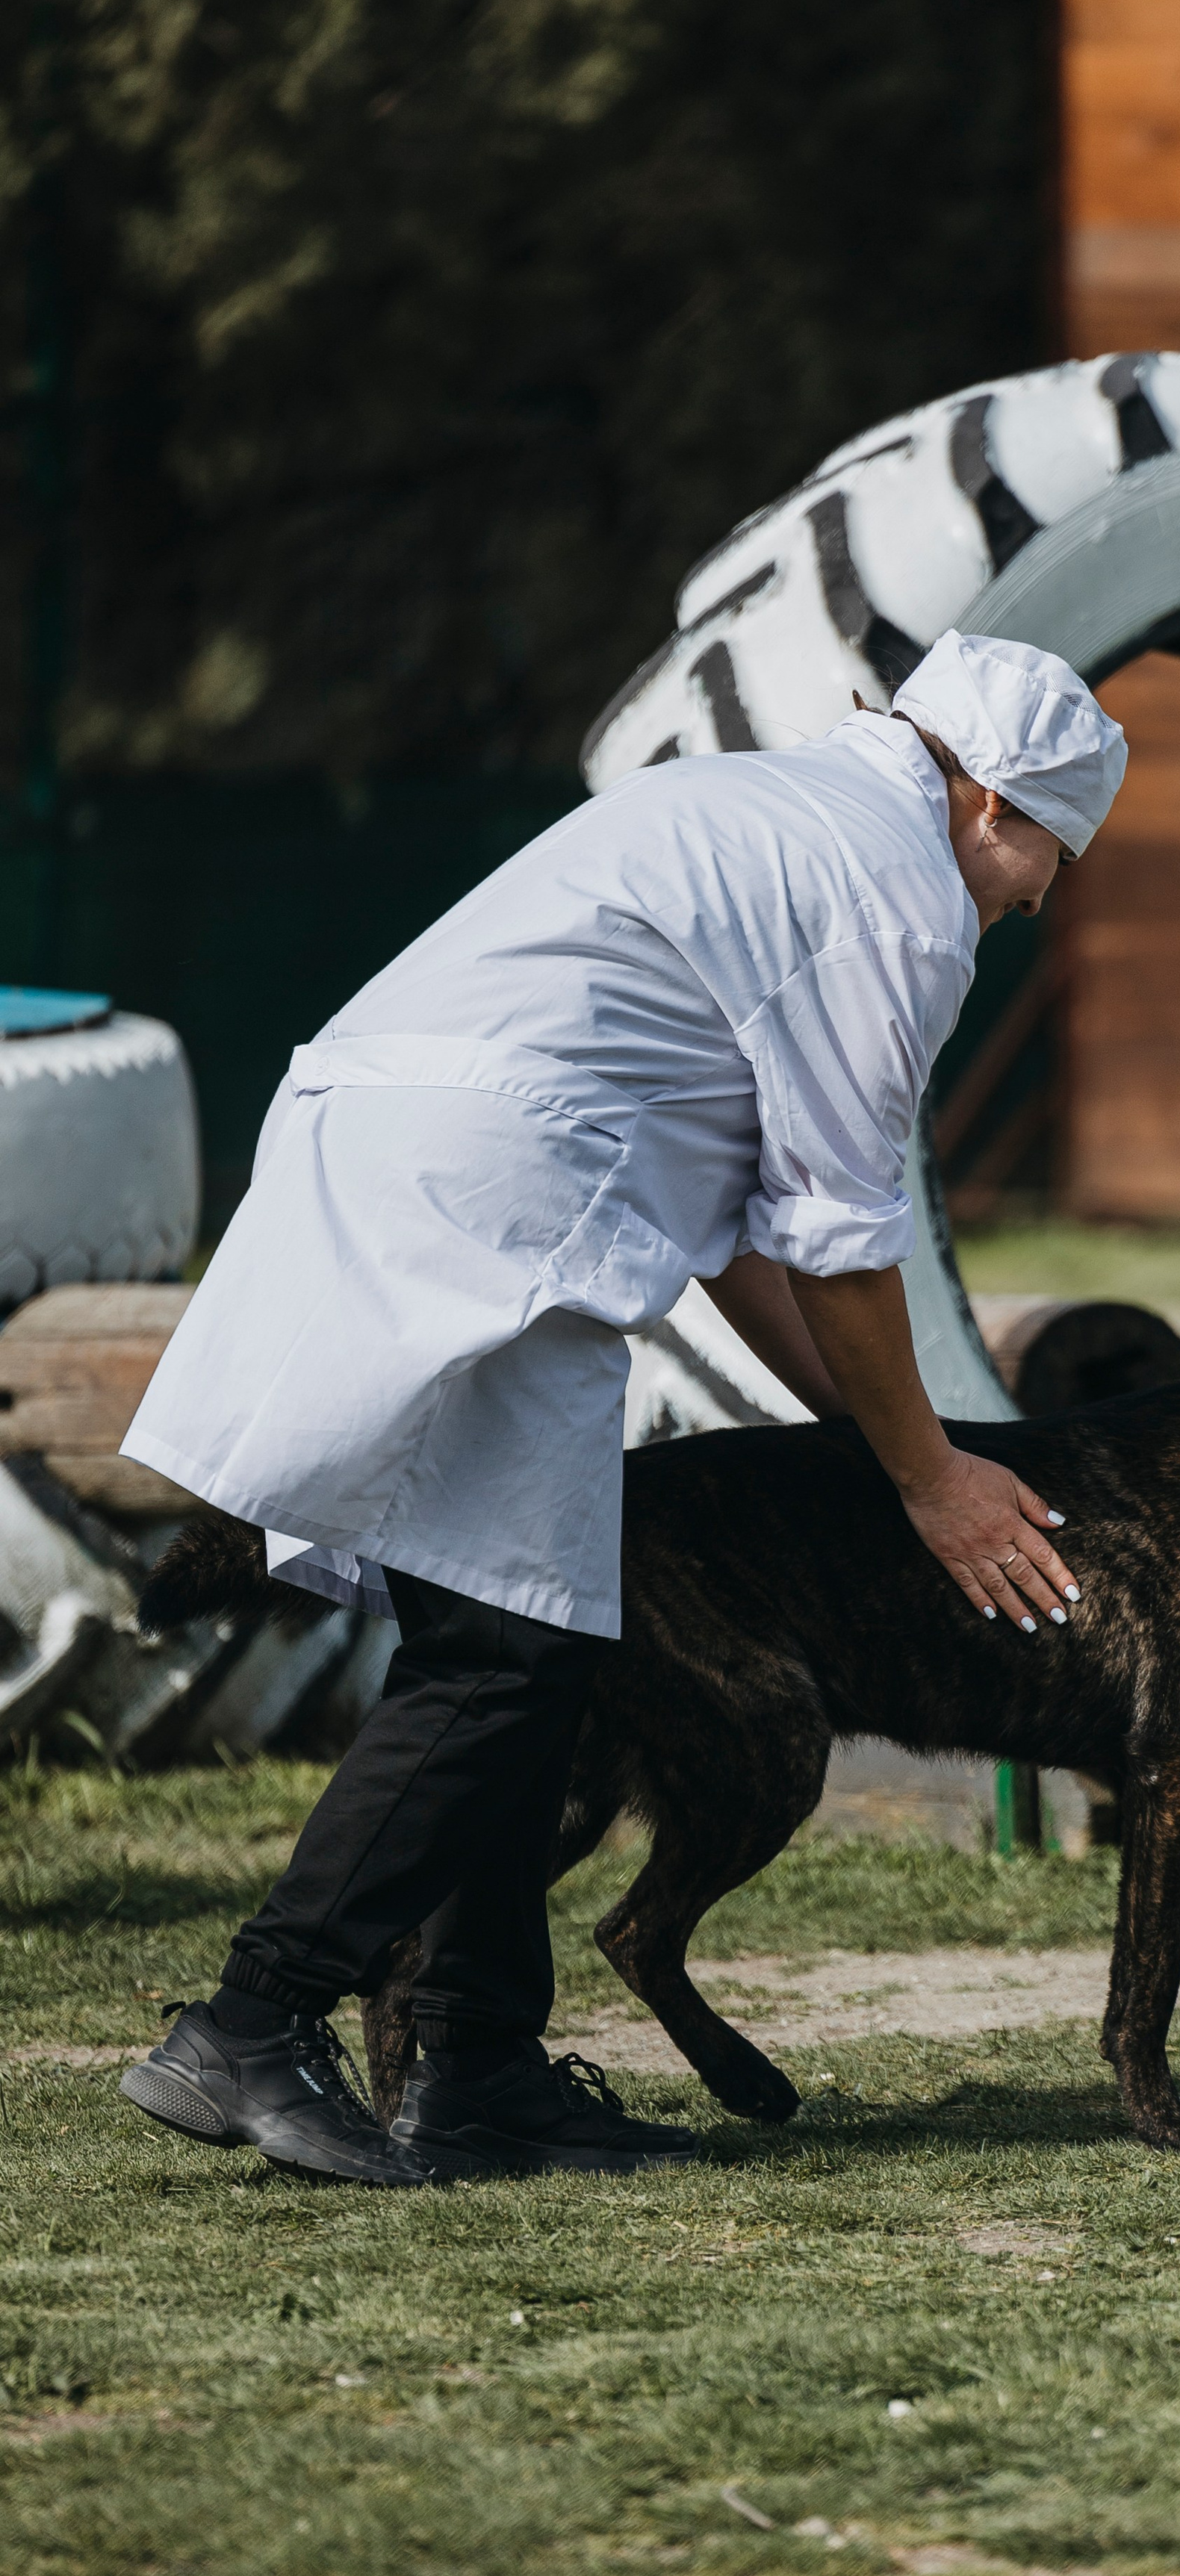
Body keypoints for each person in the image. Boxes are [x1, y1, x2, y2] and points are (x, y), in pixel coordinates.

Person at [117, 629, 1127, 2186]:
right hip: (504, 1188)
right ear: (990, 801)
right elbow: (843, 1245)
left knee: (512, 1633)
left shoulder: (766, 812)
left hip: (398, 1141)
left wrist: (890, 1444)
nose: (1019, 908)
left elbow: (737, 1229)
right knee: (505, 1652)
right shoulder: (896, 893)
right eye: (1035, 871)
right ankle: (254, 2024)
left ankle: (476, 2072)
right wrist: (933, 1482)